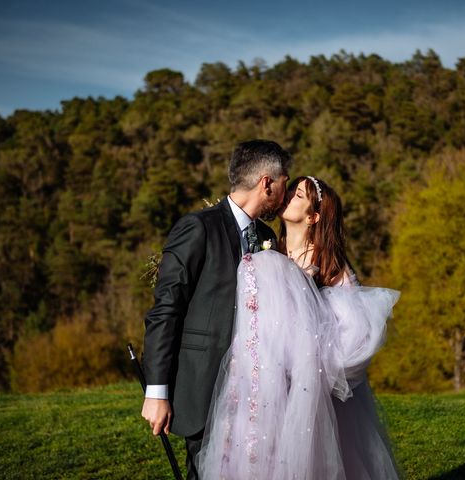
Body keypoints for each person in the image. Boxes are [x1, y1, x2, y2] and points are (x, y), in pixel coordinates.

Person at [197, 176, 401, 479]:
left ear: (313, 216)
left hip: (309, 390)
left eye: (299, 195)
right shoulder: (270, 249)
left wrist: (317, 368)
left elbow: (360, 331)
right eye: (289, 190)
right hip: (264, 384)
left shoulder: (329, 264)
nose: (288, 196)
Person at [141, 140, 292, 480]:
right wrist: (157, 391)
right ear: (267, 182)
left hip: (257, 392)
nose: (286, 191)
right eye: (285, 181)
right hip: (204, 387)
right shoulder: (199, 227)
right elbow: (166, 310)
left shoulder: (267, 236)